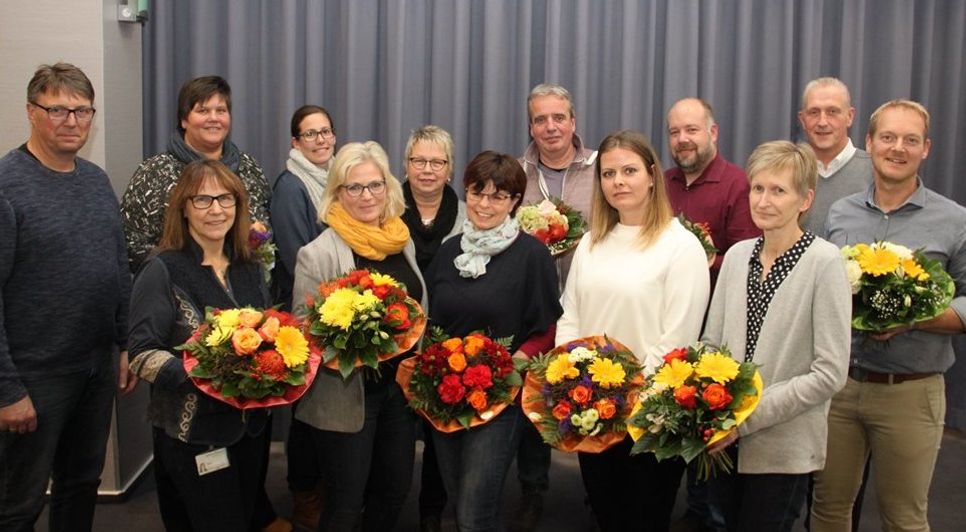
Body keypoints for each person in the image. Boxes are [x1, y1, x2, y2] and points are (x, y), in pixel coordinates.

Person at [811, 100, 966, 532]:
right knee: (827, 508)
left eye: (910, 140)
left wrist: (915, 316)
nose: (898, 148)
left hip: (910, 394)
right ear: (869, 143)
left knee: (904, 517)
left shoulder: (954, 220)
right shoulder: (841, 213)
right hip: (839, 387)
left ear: (926, 148)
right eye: (888, 137)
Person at [0, 62, 134, 532]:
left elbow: (117, 269)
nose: (73, 122)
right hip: (34, 376)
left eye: (82, 110)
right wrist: (7, 389)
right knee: (18, 503)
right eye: (58, 110)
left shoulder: (96, 181)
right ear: (31, 112)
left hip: (95, 368)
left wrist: (122, 345)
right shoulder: (6, 185)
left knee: (80, 484)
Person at [556, 129, 710, 532]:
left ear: (653, 175)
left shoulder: (681, 246)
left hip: (651, 417)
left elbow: (678, 338)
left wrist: (626, 395)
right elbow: (571, 315)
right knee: (606, 515)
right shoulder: (591, 242)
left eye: (629, 171)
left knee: (643, 519)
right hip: (594, 408)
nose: (618, 182)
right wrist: (574, 381)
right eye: (608, 174)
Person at [702, 141, 852, 532]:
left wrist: (744, 417)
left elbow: (830, 372)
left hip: (782, 447)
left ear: (806, 199)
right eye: (757, 188)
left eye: (778, 190)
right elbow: (711, 345)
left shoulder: (825, 262)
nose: (764, 201)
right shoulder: (736, 256)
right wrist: (700, 402)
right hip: (722, 442)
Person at [127, 159, 276, 531]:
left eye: (226, 199)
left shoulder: (249, 266)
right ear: (183, 208)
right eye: (203, 200)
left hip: (251, 429)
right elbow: (142, 354)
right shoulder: (163, 268)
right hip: (194, 433)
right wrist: (205, 372)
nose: (216, 209)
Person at [292, 141, 427, 532]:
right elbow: (304, 330)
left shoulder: (402, 239)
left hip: (398, 394)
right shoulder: (316, 254)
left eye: (375, 185)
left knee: (395, 490)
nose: (367, 196)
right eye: (355, 187)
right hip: (347, 397)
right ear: (337, 193)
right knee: (346, 504)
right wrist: (353, 339)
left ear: (388, 188)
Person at [424, 151, 562, 531]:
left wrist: (510, 365)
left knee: (473, 513)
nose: (484, 204)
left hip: (500, 399)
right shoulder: (450, 250)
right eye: (476, 192)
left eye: (498, 196)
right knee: (458, 500)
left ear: (515, 201)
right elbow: (432, 317)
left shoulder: (532, 254)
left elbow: (548, 328)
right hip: (446, 394)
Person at [516, 82, 596, 528]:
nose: (550, 127)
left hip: (589, 303)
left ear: (573, 122)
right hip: (535, 308)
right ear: (531, 125)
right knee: (535, 402)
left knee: (591, 395)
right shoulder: (517, 173)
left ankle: (596, 490)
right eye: (541, 119)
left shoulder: (601, 168)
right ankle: (532, 488)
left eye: (558, 117)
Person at [121, 75, 271, 272]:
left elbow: (266, 228)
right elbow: (132, 246)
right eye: (203, 111)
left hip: (241, 287)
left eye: (221, 111)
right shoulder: (153, 173)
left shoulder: (249, 168)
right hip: (178, 291)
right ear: (184, 120)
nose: (214, 118)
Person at [270, 104, 336, 530]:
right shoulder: (292, 186)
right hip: (307, 311)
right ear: (295, 142)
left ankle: (327, 490)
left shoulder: (336, 178)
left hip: (337, 307)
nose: (320, 140)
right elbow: (298, 259)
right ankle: (305, 495)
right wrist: (331, 310)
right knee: (307, 416)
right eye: (310, 134)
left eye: (325, 132)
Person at [398, 125, 466, 532]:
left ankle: (431, 510)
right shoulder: (386, 208)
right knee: (396, 433)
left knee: (441, 431)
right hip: (396, 339)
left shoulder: (465, 213)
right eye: (419, 161)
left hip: (447, 335)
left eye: (436, 162)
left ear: (449, 168)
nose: (427, 170)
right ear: (405, 165)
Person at [665, 97, 760, 288]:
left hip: (715, 310)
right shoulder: (661, 183)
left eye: (691, 130)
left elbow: (750, 262)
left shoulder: (739, 185)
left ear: (713, 133)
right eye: (674, 132)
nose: (682, 139)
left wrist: (707, 260)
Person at [797, 77, 872, 237]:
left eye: (832, 112)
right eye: (814, 112)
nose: (822, 122)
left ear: (850, 116)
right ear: (803, 119)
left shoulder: (875, 171)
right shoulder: (788, 170)